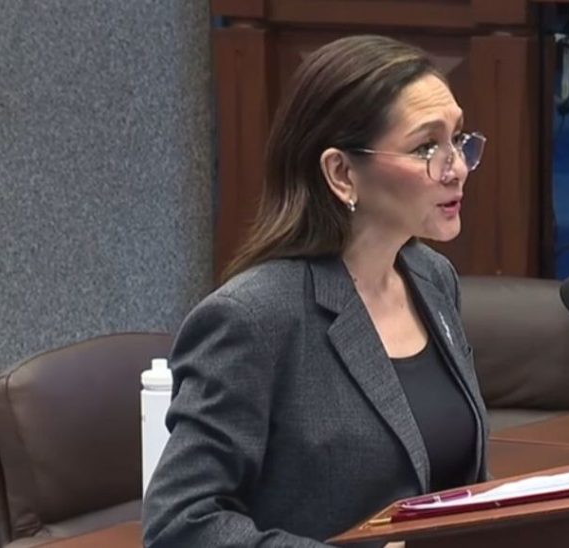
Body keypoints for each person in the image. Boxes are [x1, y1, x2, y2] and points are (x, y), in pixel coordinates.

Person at [142, 35, 490, 547]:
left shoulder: (432, 278)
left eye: (457, 139)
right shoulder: (252, 317)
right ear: (342, 173)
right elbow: (181, 524)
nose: (456, 167)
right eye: (425, 148)